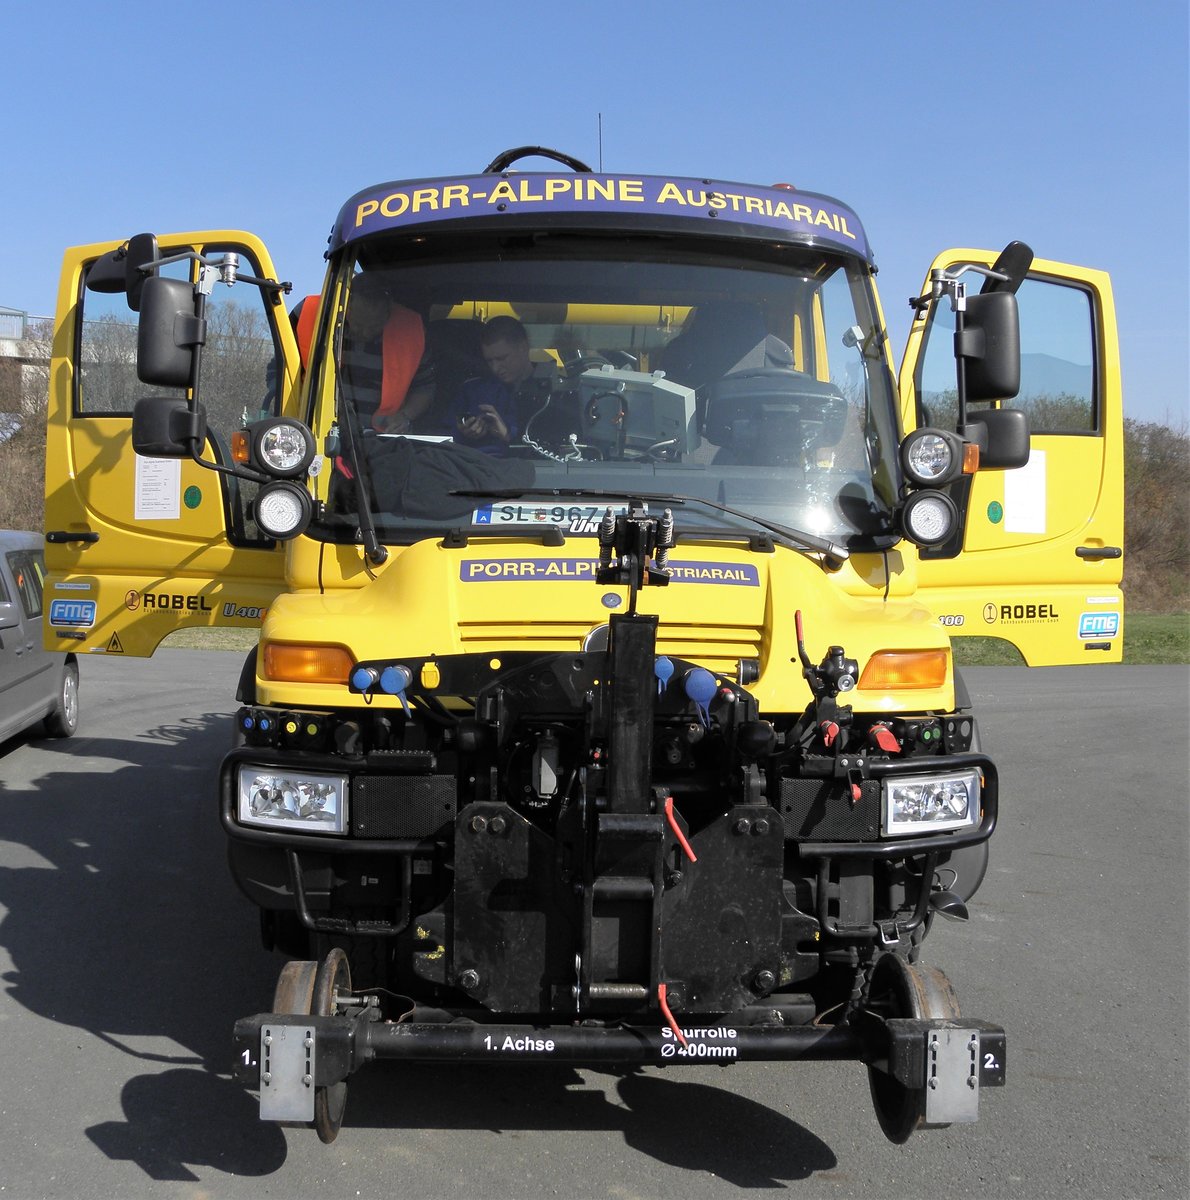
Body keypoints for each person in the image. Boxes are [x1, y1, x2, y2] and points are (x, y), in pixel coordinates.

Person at [431, 316, 558, 450]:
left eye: (502, 358)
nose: (495, 368)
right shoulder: (472, 390)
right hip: (474, 466)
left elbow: (559, 447)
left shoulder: (553, 393)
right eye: (490, 361)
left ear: (523, 347)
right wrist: (464, 433)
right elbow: (442, 438)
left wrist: (507, 435)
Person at [340, 274, 435, 434]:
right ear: (346, 307)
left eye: (375, 326)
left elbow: (425, 387)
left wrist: (405, 416)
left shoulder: (412, 333)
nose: (366, 333)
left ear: (389, 312)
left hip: (383, 438)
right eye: (359, 324)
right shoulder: (314, 317)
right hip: (324, 435)